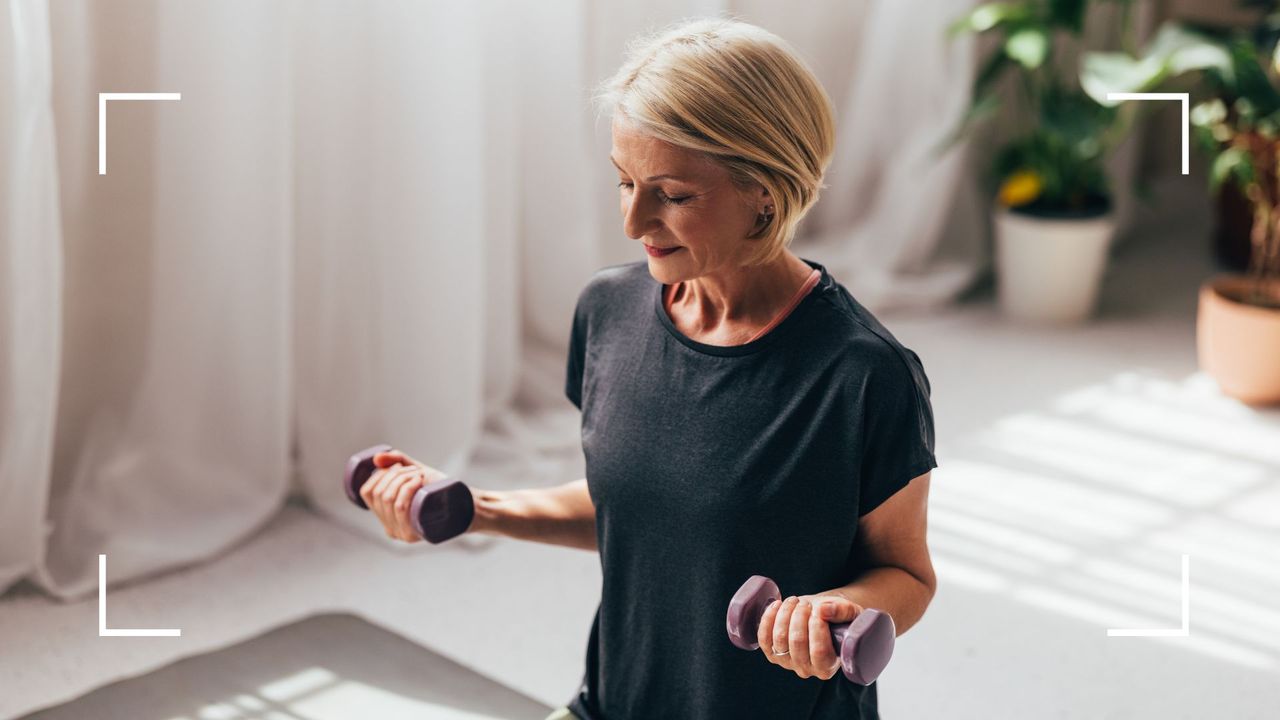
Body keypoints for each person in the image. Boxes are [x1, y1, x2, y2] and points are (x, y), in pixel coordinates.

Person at [360, 17, 937, 720]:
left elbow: (906, 575)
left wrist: (832, 610)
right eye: (624, 181)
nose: (633, 222)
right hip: (615, 702)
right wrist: (474, 508)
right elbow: (642, 506)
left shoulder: (864, 375)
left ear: (766, 189)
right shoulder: (609, 309)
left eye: (672, 194)